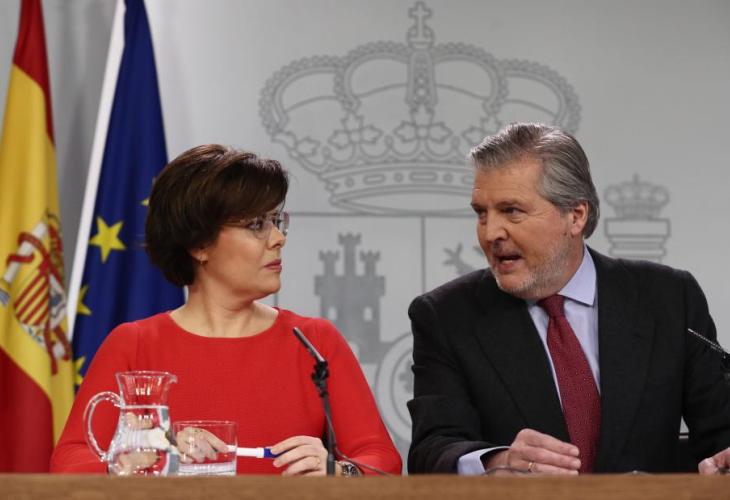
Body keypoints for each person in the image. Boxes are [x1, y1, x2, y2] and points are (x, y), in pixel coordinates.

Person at [51, 144, 402, 476]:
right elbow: (69, 463)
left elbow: (381, 459)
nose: (278, 238)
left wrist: (340, 471)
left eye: (276, 221)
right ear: (198, 244)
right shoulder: (135, 344)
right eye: (256, 225)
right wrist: (141, 460)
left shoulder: (313, 341)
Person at [407, 122, 730, 475]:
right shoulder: (446, 316)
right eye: (481, 213)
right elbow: (432, 449)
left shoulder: (670, 298)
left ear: (575, 216)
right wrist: (496, 464)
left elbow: (721, 429)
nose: (490, 233)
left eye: (512, 210)